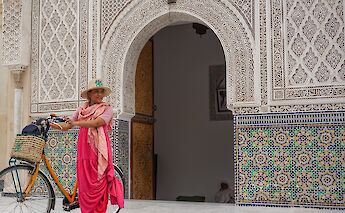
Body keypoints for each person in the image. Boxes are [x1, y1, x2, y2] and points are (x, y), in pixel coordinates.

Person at [51, 79, 124, 213]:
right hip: (84, 149)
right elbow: (68, 125)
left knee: (98, 180)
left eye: (101, 91)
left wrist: (76, 123)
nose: (100, 94)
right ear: (89, 94)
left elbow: (97, 122)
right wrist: (51, 124)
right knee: (85, 183)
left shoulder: (106, 108)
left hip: (98, 150)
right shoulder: (82, 109)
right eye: (96, 91)